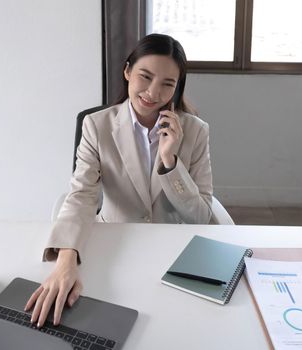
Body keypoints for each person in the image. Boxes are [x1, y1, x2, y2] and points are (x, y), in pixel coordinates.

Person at [25, 33, 213, 327]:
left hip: (170, 250)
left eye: (168, 84)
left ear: (178, 88)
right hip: (114, 243)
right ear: (127, 71)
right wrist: (66, 261)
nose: (153, 92)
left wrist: (170, 161)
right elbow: (81, 196)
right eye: (145, 76)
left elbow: (201, 216)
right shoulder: (96, 126)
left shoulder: (195, 131)